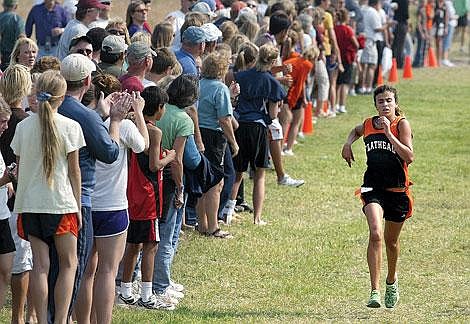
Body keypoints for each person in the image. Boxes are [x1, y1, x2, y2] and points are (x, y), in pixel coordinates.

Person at [51, 53, 126, 323]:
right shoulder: (86, 116)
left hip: (45, 196)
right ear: (87, 80)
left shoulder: (49, 108)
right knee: (75, 267)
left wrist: (98, 116)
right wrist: (114, 121)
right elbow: (109, 153)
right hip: (77, 199)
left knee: (49, 267)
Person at [12, 70, 85, 324]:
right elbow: (75, 172)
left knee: (40, 266)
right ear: (62, 97)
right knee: (68, 264)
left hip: (31, 204)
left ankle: (41, 320)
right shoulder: (71, 127)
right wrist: (78, 207)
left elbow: (20, 170)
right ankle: (61, 319)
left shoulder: (22, 127)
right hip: (61, 203)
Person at [78, 75, 146, 324]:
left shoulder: (82, 122)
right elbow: (143, 145)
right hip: (113, 207)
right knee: (107, 271)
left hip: (85, 204)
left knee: (85, 272)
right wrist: (138, 113)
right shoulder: (124, 126)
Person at [341, 85, 414, 309]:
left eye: (389, 101)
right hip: (372, 188)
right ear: (375, 104)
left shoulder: (401, 124)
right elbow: (356, 130)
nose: (385, 105)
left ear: (395, 103)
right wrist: (347, 143)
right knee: (375, 234)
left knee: (391, 242)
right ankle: (374, 291)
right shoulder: (368, 124)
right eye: (380, 101)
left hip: (397, 191)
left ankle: (391, 281)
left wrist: (389, 134)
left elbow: (409, 156)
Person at [120, 86, 176, 310]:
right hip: (148, 195)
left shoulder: (131, 123)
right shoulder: (155, 132)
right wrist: (170, 156)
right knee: (151, 245)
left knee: (132, 244)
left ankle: (124, 289)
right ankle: (147, 295)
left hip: (131, 192)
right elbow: (154, 165)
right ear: (160, 108)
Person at [230, 44, 286, 225]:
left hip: (239, 125)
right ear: (273, 61)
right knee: (259, 174)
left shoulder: (242, 75)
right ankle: (257, 217)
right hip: (258, 127)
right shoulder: (271, 82)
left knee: (238, 173)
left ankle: (227, 212)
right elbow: (273, 114)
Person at [197, 51, 239, 237]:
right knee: (215, 183)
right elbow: (224, 119)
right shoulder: (220, 88)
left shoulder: (199, 84)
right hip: (214, 137)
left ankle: (202, 223)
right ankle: (213, 226)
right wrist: (233, 142)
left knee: (202, 180)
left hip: (198, 133)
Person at [0, 98, 14, 310]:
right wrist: (8, 178)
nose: (6, 127)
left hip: (2, 214)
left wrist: (8, 183)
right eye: (2, 121)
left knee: (6, 268)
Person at [0, 0, 25, 71]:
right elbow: (21, 38)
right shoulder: (17, 19)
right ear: (16, 6)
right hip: (12, 56)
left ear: (3, 5)